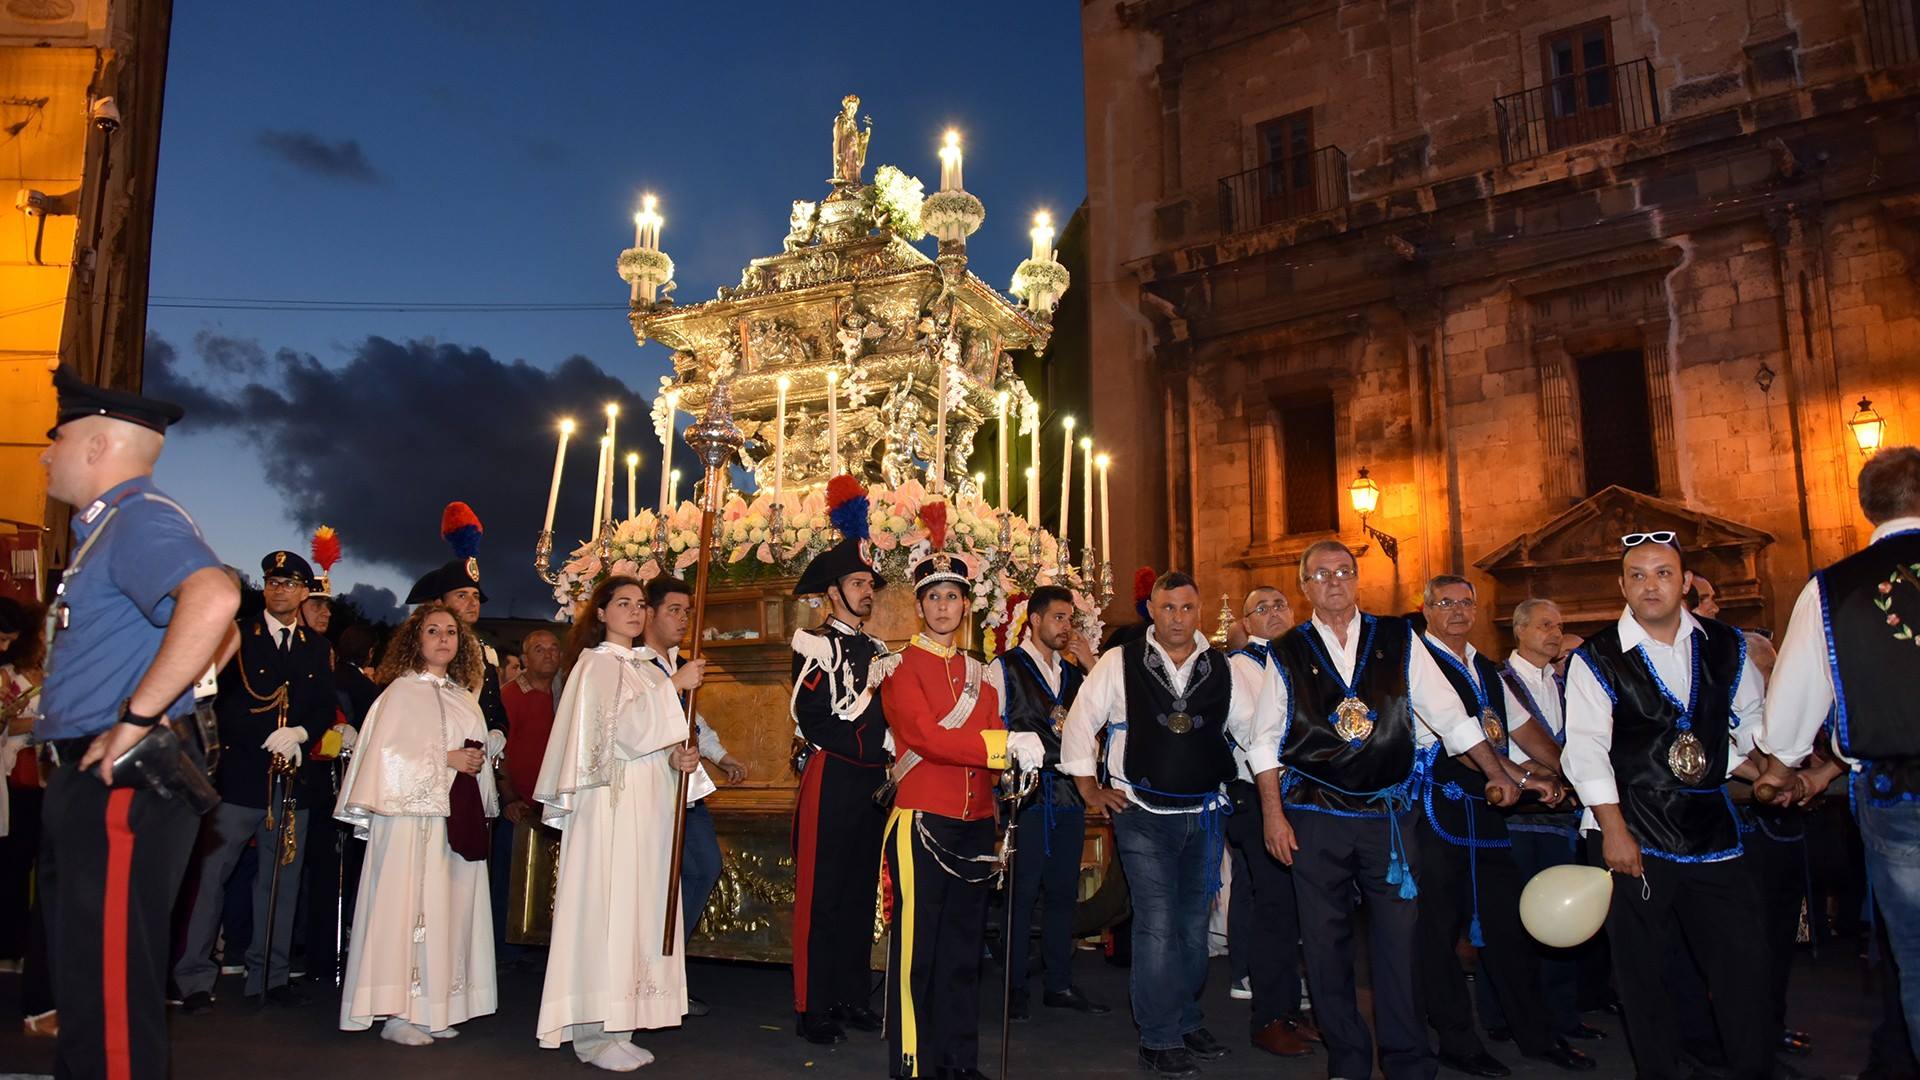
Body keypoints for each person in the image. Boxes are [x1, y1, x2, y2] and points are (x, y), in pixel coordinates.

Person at [35, 365, 240, 1080]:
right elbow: (223, 637)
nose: (44, 453)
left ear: (95, 445)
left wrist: (137, 718)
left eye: (54, 438)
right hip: (94, 779)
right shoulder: (112, 528)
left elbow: (214, 600)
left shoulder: (140, 517)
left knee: (112, 995)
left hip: (121, 783)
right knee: (89, 990)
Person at [1260, 540, 1526, 1080]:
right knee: (1326, 946)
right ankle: (1349, 1062)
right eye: (1322, 574)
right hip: (1315, 815)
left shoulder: (1399, 638)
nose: (1334, 581)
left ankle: (1409, 1063)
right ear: (1305, 585)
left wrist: (1497, 771)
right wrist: (1273, 815)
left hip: (1388, 819)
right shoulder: (1286, 649)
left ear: (1358, 580)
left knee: (1399, 945)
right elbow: (1263, 741)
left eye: (1344, 571)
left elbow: (1451, 717)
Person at [1561, 531, 1772, 1080]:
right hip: (1633, 828)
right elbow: (1585, 751)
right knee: (1643, 974)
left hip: (1712, 832)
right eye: (1637, 575)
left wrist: (1771, 764)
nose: (1649, 584)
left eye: (1662, 573)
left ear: (1685, 583)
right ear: (1622, 586)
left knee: (1742, 964)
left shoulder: (1726, 644)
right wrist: (1613, 831)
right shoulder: (1597, 657)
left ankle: (1750, 1066)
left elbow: (1748, 720)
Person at [1060, 570, 1279, 1078]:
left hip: (1203, 817)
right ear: (1151, 612)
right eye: (1167, 608)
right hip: (1141, 814)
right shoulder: (1119, 661)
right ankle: (1158, 1038)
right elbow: (1080, 721)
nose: (1177, 617)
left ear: (1198, 612)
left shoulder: (1224, 668)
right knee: (1157, 927)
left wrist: (1271, 796)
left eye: (1186, 608)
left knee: (1190, 928)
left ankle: (1183, 1019)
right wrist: (1088, 786)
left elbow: (1252, 735)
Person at [1757, 444, 1920, 1060]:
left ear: (1865, 507)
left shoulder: (1834, 588)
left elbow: (1794, 701)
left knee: (1918, 959)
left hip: (1900, 794)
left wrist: (1782, 765)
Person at [879, 511, 1044, 1079]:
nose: (943, 606)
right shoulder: (899, 667)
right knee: (917, 954)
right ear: (920, 606)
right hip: (923, 820)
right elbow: (928, 738)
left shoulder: (981, 672)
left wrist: (1015, 767)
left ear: (965, 604)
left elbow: (987, 744)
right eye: (933, 598)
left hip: (975, 820)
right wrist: (1004, 749)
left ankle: (958, 1061)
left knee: (963, 951)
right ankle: (912, 1061)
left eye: (953, 596)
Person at [1414, 576, 1591, 1077]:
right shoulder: (1416, 663)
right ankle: (1456, 1038)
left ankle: (1534, 1033)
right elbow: (1461, 741)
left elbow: (1518, 728)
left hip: (1491, 814)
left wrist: (1564, 772)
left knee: (1508, 927)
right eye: (1445, 602)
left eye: (1465, 603)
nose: (1457, 611)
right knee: (1440, 933)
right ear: (1426, 609)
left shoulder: (1485, 668)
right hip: (1439, 812)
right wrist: (1526, 779)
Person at [534, 576, 706, 1071]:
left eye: (639, 604)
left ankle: (621, 1023)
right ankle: (593, 1034)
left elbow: (652, 741)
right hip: (609, 811)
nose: (634, 611)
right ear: (602, 613)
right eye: (622, 603)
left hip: (646, 811)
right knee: (606, 911)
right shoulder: (596, 665)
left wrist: (679, 760)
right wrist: (673, 686)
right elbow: (616, 736)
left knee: (638, 913)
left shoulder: (645, 671)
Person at [174, 550, 338, 1010]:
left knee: (281, 882)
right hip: (241, 774)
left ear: (306, 592)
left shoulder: (317, 647)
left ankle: (270, 975)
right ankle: (193, 978)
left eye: (289, 583)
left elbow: (323, 705)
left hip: (292, 777)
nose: (279, 590)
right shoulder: (236, 634)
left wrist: (302, 734)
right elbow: (211, 701)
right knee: (213, 877)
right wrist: (262, 735)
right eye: (273, 581)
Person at [335, 602, 498, 1044]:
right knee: (406, 908)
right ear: (415, 640)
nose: (444, 638)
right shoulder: (398, 694)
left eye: (451, 632)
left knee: (448, 908)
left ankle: (433, 1006)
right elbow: (383, 758)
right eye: (433, 631)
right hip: (408, 824)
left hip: (451, 821)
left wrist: (475, 761)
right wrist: (444, 761)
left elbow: (473, 756)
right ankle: (397, 1013)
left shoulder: (463, 697)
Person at [789, 479, 895, 1045]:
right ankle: (813, 1005)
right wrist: (868, 750)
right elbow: (814, 719)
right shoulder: (815, 647)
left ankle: (852, 995)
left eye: (869, 584)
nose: (866, 592)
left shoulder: (877, 651)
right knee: (822, 894)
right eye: (857, 584)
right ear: (833, 592)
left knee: (858, 893)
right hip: (832, 776)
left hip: (873, 785)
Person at [1477, 598, 1606, 1046]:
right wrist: (1542, 776)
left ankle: (1562, 1014)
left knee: (1564, 919)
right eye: (1545, 625)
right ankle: (1502, 1012)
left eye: (1560, 625)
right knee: (1512, 918)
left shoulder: (1566, 681)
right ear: (1520, 630)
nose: (1555, 633)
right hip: (1518, 816)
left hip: (1563, 815)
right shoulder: (1496, 680)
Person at [984, 584, 1108, 1023]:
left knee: (1061, 893)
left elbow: (1110, 713)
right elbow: (991, 729)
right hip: (1029, 795)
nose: (1065, 627)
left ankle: (1059, 981)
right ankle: (1013, 985)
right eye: (1057, 617)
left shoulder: (1075, 675)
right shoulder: (1005, 668)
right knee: (1022, 894)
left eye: (1069, 619)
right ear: (1034, 619)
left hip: (1071, 794)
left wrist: (1091, 662)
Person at [638, 573, 746, 1016]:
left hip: (688, 792)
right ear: (650, 613)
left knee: (704, 866)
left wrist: (720, 757)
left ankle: (667, 969)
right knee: (653, 884)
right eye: (674, 610)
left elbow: (694, 722)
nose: (683, 619)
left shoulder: (678, 664)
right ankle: (648, 976)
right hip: (651, 792)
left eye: (687, 611)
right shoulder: (636, 665)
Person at [1219, 585, 1315, 1057]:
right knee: (1273, 906)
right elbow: (1249, 730)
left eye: (1281, 605)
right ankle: (1270, 1016)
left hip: (1301, 794)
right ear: (1246, 621)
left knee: (1296, 906)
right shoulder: (1240, 667)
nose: (1274, 613)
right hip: (1255, 796)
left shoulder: (1301, 661)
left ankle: (1291, 1009)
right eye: (1262, 608)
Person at [405, 501, 510, 735]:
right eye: (462, 595)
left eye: (475, 595)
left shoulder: (485, 653)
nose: (473, 602)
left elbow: (494, 709)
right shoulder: (423, 649)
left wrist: (497, 731)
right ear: (440, 603)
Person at [0, 597, 55, 1038]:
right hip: (16, 778)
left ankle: (20, 947)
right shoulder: (8, 676)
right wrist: (36, 724)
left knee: (38, 867)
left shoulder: (49, 675)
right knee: (14, 865)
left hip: (46, 781)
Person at [495, 628, 562, 964]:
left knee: (546, 879)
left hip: (552, 806)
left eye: (553, 649)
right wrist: (509, 798)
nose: (548, 655)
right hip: (520, 806)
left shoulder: (563, 696)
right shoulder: (510, 695)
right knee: (510, 880)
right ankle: (505, 950)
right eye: (539, 649)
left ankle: (538, 946)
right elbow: (499, 751)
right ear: (525, 658)